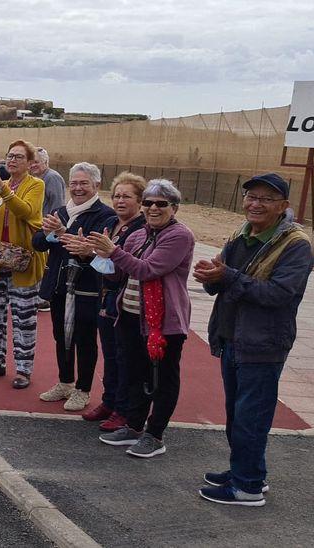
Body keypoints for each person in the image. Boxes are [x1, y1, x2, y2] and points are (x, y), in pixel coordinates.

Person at [193, 173, 313, 507]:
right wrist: (210, 277)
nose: (256, 204)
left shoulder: (296, 245)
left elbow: (280, 294)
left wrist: (227, 276)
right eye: (251, 197)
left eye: (266, 199)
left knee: (251, 418)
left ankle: (246, 488)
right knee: (237, 414)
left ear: (283, 207)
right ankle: (246, 473)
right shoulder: (239, 235)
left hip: (264, 344)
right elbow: (223, 282)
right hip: (233, 337)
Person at [89, 180, 194, 459]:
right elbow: (119, 274)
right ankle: (134, 426)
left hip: (163, 324)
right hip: (131, 316)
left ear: (174, 207)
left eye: (161, 203)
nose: (152, 208)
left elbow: (148, 270)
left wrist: (113, 252)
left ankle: (155, 434)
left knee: (161, 380)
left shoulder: (179, 236)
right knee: (134, 374)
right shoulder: (139, 235)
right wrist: (102, 257)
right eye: (148, 203)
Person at [64, 173, 148, 431]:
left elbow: (121, 264)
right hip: (106, 296)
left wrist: (93, 253)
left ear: (140, 201)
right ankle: (109, 402)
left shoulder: (141, 229)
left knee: (126, 358)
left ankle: (124, 409)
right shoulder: (111, 223)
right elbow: (102, 260)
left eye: (127, 196)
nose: (120, 201)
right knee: (110, 355)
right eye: (117, 196)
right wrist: (86, 252)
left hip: (127, 300)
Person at [32, 163, 116, 411]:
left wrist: (61, 231)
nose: (78, 188)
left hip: (87, 288)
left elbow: (87, 247)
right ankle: (65, 381)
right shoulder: (60, 211)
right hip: (58, 286)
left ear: (96, 186)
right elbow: (37, 242)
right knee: (61, 336)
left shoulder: (106, 216)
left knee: (85, 339)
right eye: (75, 183)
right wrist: (49, 234)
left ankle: (83, 389)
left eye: (84, 184)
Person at [0, 140, 46, 388]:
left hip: (23, 263)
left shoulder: (36, 185)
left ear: (29, 163)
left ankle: (24, 370)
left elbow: (26, 211)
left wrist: (2, 190)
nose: (12, 160)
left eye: (18, 157)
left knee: (24, 319)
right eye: (9, 156)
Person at [30, 147, 65, 312]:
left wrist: (51, 227)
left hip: (48, 228)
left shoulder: (52, 178)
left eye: (36, 162)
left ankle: (44, 298)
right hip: (39, 228)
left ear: (45, 162)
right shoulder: (36, 178)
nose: (33, 165)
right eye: (32, 162)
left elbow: (57, 205)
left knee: (45, 263)